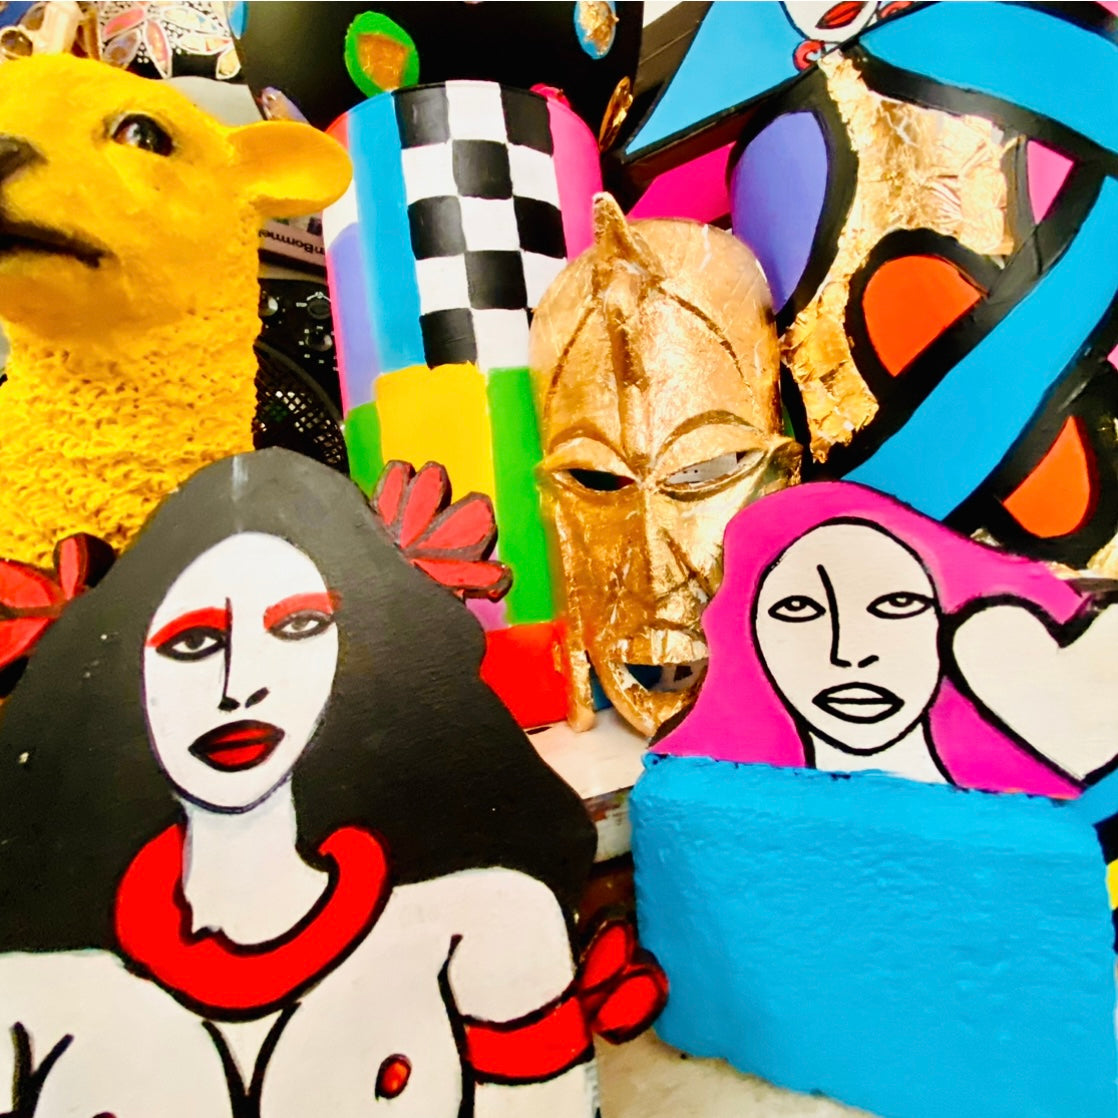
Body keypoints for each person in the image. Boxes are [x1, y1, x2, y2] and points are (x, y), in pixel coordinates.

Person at [0, 449, 606, 1117]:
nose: (240, 688)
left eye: (298, 626)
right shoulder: (29, 996)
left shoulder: (487, 924)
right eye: (194, 643)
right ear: (124, 671)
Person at [656, 480, 1101, 797]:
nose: (849, 654)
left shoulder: (1016, 811)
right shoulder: (702, 792)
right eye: (799, 609)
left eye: (896, 604)